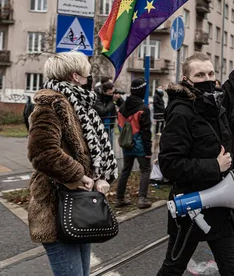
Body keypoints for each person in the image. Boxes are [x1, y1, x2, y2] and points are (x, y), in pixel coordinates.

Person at [158, 21, 234, 275]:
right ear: (187, 79)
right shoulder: (180, 112)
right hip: (190, 206)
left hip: (219, 207)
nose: (207, 79)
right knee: (173, 268)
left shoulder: (218, 102)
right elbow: (169, 165)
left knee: (232, 270)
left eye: (210, 74)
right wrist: (214, 166)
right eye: (200, 75)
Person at [27, 51, 118, 276]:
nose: (90, 74)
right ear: (76, 76)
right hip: (56, 206)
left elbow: (88, 151)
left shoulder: (79, 104)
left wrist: (100, 177)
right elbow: (42, 152)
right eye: (86, 69)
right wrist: (79, 176)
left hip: (80, 204)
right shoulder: (50, 104)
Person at [116, 77, 153, 210]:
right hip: (141, 146)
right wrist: (148, 151)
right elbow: (146, 132)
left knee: (126, 170)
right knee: (145, 170)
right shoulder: (143, 108)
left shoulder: (121, 108)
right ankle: (142, 199)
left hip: (127, 144)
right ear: (142, 91)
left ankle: (119, 198)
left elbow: (121, 127)